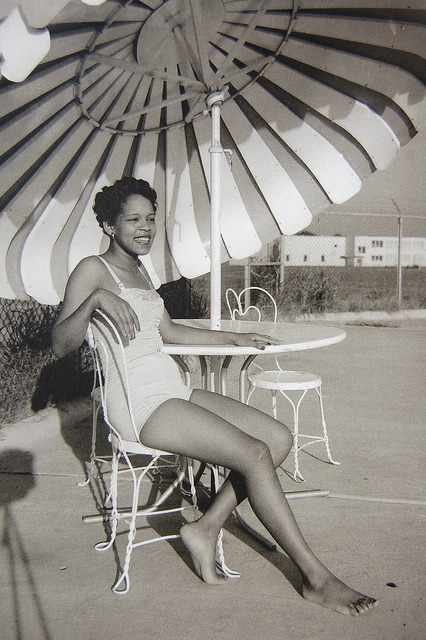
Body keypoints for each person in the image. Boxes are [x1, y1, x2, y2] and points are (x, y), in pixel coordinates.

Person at [52, 176, 377, 616]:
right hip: (139, 404)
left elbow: (167, 332)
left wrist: (234, 338)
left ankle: (205, 527)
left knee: (277, 439)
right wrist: (94, 302)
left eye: (151, 218)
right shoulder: (94, 269)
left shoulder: (141, 269)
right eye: (133, 219)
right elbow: (59, 344)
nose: (145, 227)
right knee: (256, 453)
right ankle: (316, 578)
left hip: (171, 388)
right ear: (109, 226)